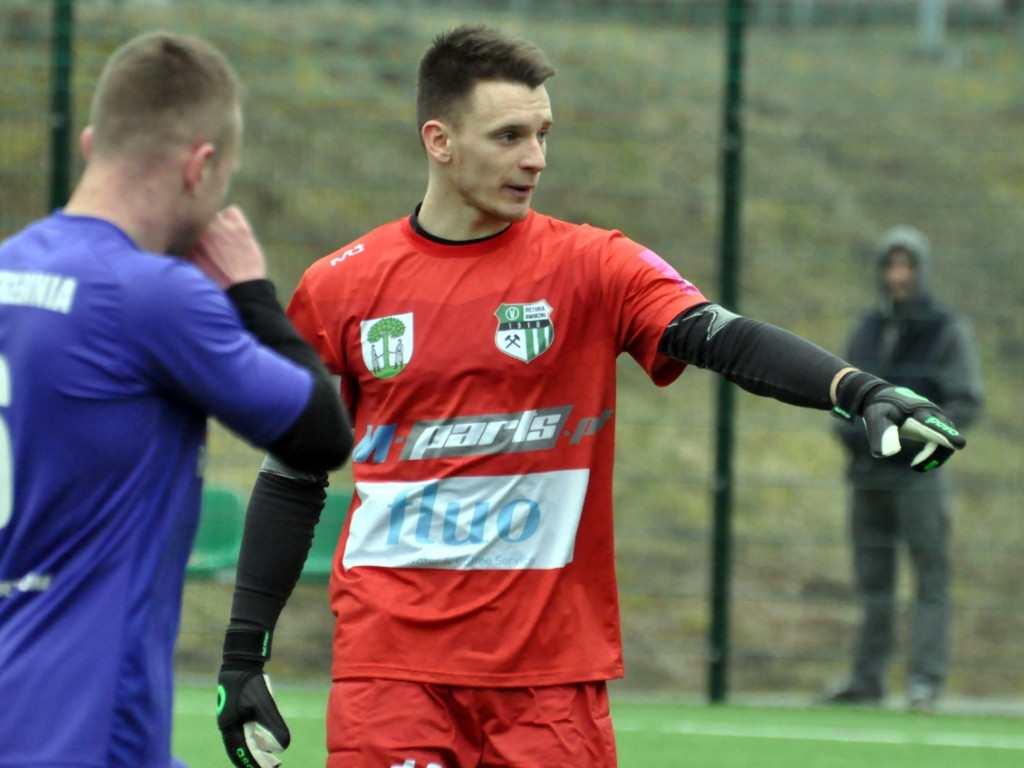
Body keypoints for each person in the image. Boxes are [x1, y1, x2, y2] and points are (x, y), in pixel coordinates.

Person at [214, 25, 965, 768]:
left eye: (542, 134)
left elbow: (718, 337)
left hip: (551, 681)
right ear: (438, 140)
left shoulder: (592, 266)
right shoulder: (342, 285)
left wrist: (856, 389)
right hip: (391, 670)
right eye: (509, 136)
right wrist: (243, 656)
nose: (535, 158)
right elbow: (293, 475)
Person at [0, 31, 353, 768]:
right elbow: (320, 432)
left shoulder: (9, 268)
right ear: (201, 167)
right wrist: (251, 291)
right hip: (87, 730)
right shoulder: (150, 296)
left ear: (94, 142)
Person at [821, 225, 983, 711]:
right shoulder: (866, 328)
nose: (898, 276)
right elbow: (839, 391)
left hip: (919, 478)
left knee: (929, 576)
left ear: (921, 270)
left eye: (907, 266)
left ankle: (925, 681)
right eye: (891, 265)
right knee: (874, 582)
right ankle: (867, 679)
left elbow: (965, 401)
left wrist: (918, 439)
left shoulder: (945, 330)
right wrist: (850, 432)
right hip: (867, 474)